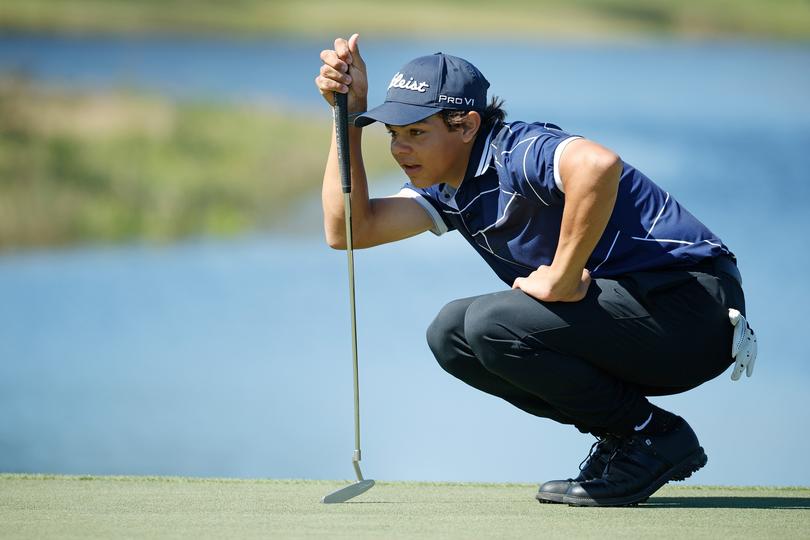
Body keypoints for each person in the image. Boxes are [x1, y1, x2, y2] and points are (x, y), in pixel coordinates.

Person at [315, 34, 756, 507]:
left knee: (492, 324)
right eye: (394, 135)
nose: (400, 149)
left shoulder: (518, 149)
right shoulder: (449, 188)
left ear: (466, 126)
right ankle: (631, 435)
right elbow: (350, 231)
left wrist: (564, 275)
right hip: (646, 319)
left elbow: (597, 164)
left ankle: (652, 438)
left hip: (694, 307)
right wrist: (347, 117)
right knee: (451, 335)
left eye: (417, 133)